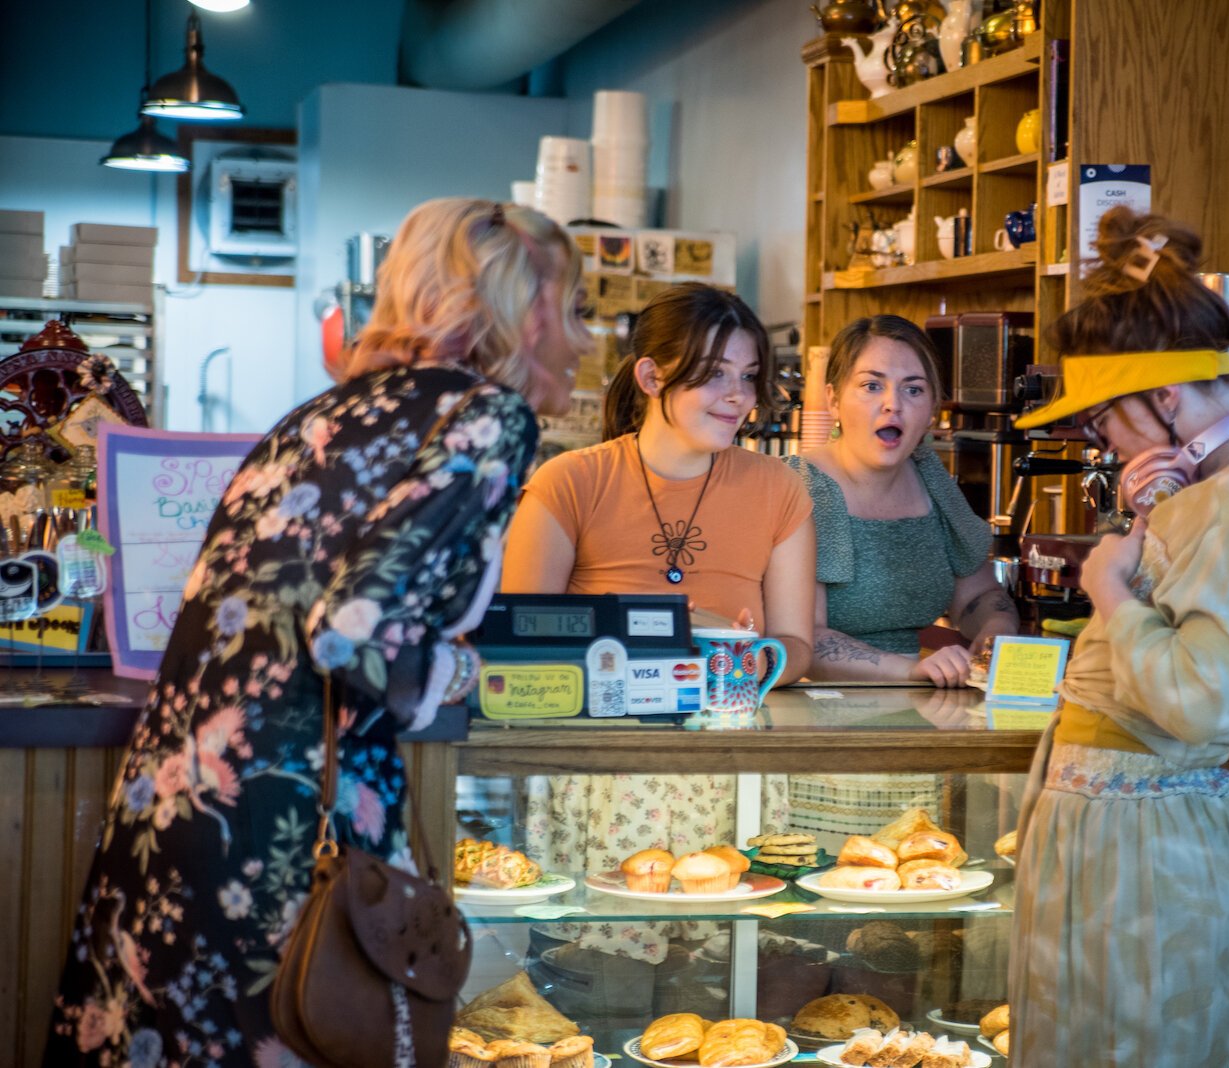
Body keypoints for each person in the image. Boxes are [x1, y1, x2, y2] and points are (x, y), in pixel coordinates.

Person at [45, 197, 590, 1067]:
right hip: (292, 837)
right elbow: (352, 635)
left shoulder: (319, 414)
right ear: (521, 311)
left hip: (176, 814)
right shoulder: (485, 417)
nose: (585, 338)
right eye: (573, 308)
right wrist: (454, 670)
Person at [1006, 207, 1229, 1067]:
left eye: (1103, 419)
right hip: (1153, 835)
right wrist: (1152, 517)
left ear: (1164, 398)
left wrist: (1111, 590)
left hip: (1141, 852)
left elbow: (1204, 699)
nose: (1101, 438)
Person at [500, 282, 812, 978]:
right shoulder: (568, 482)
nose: (738, 396)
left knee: (720, 994)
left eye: (749, 377)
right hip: (603, 775)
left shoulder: (780, 488)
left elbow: (795, 646)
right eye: (714, 375)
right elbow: (517, 646)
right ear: (651, 375)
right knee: (601, 992)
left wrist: (747, 656)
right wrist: (675, 633)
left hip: (733, 775)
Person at [783, 315, 1017, 687]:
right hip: (816, 707)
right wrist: (909, 671)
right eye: (872, 386)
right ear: (834, 400)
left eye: (913, 389)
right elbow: (803, 639)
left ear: (932, 408)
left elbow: (978, 596)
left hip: (915, 703)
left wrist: (995, 633)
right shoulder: (799, 486)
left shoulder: (931, 476)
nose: (893, 404)